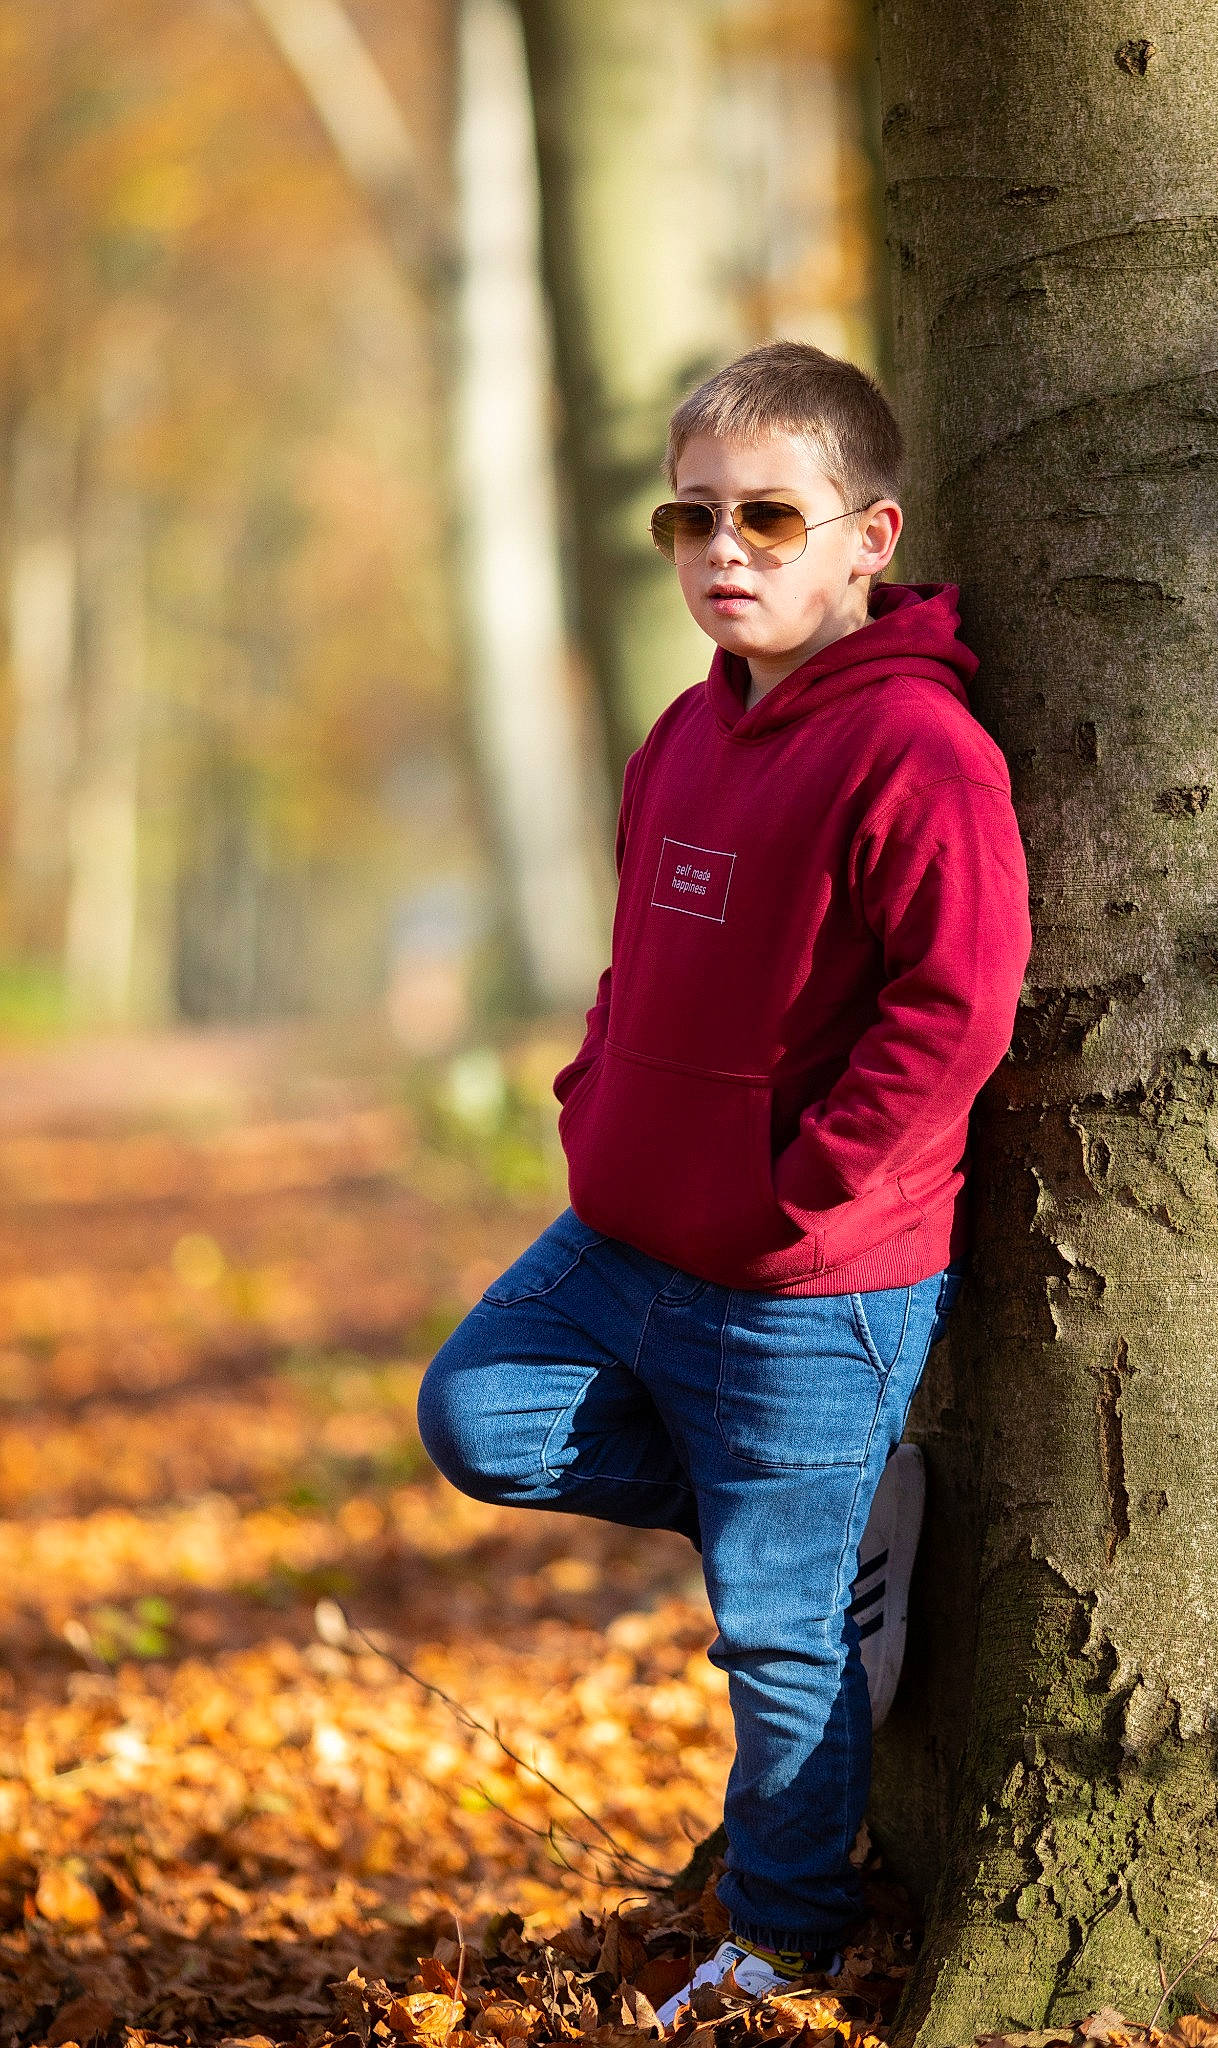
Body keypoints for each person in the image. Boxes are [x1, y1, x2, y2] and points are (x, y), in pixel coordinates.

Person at [418, 340, 1031, 2019]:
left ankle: (781, 1943)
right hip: (625, 1235)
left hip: (806, 1279)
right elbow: (635, 962)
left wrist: (803, 1189)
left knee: (774, 1640)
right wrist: (594, 1098)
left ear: (868, 535)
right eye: (691, 517)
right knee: (478, 1415)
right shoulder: (683, 733)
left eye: (768, 514)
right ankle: (817, 1526)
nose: (723, 549)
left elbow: (954, 1011)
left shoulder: (918, 750)